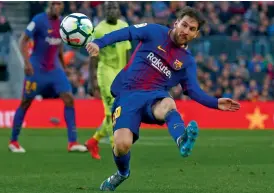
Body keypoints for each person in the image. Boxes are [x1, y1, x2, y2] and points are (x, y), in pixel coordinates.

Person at [86, 6, 241, 191]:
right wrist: (99, 43)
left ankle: (181, 139)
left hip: (154, 97)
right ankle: (122, 173)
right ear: (176, 23)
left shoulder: (187, 61)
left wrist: (215, 103)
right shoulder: (154, 31)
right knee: (122, 145)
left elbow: (193, 91)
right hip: (127, 95)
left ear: (196, 34)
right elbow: (127, 32)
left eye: (191, 29)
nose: (186, 31)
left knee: (169, 103)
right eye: (184, 25)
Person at [8, 1, 87, 153]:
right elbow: (22, 40)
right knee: (25, 102)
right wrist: (26, 62)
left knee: (69, 98)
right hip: (36, 70)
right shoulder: (38, 20)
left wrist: (64, 68)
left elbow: (59, 47)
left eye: (59, 4)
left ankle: (72, 142)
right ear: (49, 5)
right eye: (54, 3)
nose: (57, 6)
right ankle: (13, 141)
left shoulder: (64, 23)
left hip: (54, 71)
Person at [85, 2, 132, 160]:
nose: (112, 11)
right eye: (109, 8)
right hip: (106, 73)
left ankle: (94, 140)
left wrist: (130, 74)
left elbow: (127, 53)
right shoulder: (98, 30)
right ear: (104, 11)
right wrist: (92, 82)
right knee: (112, 112)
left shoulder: (125, 26)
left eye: (115, 8)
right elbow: (93, 59)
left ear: (119, 10)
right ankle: (116, 149)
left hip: (121, 74)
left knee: (118, 111)